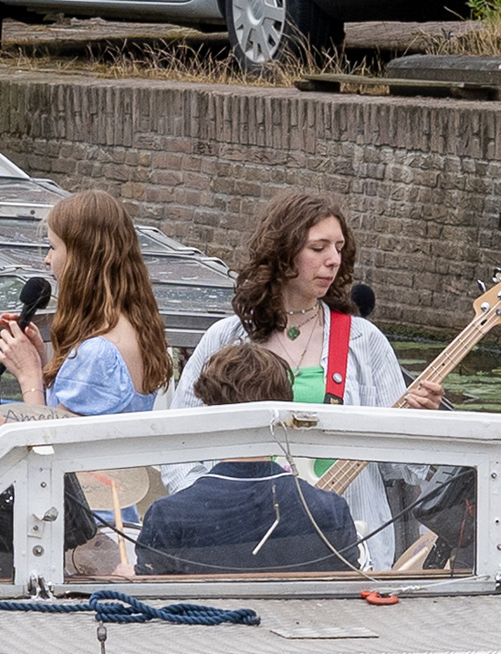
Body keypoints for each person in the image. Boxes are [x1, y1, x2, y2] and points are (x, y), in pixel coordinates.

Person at [169, 190, 444, 569]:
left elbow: (401, 468)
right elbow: (177, 445)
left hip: (350, 546)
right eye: (318, 248)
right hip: (235, 547)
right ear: (282, 255)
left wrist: (420, 421)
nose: (333, 260)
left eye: (339, 247)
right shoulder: (225, 337)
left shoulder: (364, 342)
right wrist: (207, 512)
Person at [136, 344, 360, 576]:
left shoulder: (169, 515)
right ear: (282, 411)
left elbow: (153, 602)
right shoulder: (331, 512)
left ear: (208, 412)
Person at [0, 190, 170, 417]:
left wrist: (29, 376)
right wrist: (40, 362)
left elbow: (51, 445)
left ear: (81, 258)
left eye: (53, 247)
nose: (47, 260)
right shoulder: (137, 327)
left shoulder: (97, 353)